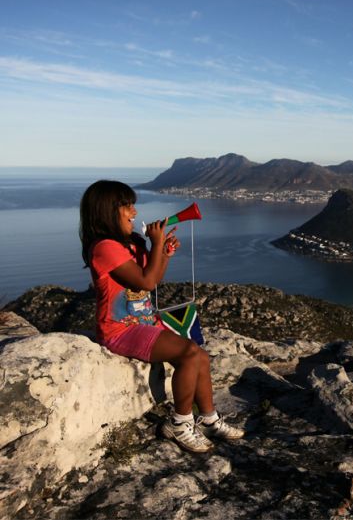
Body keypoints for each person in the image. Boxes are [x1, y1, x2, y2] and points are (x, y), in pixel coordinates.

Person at [79, 180, 243, 453]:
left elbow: (153, 276)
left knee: (199, 355)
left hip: (145, 322)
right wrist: (156, 244)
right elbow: (146, 282)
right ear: (107, 210)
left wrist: (163, 252)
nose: (134, 211)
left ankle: (209, 418)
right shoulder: (104, 248)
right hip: (120, 329)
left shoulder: (130, 243)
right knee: (189, 354)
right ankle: (179, 423)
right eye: (127, 205)